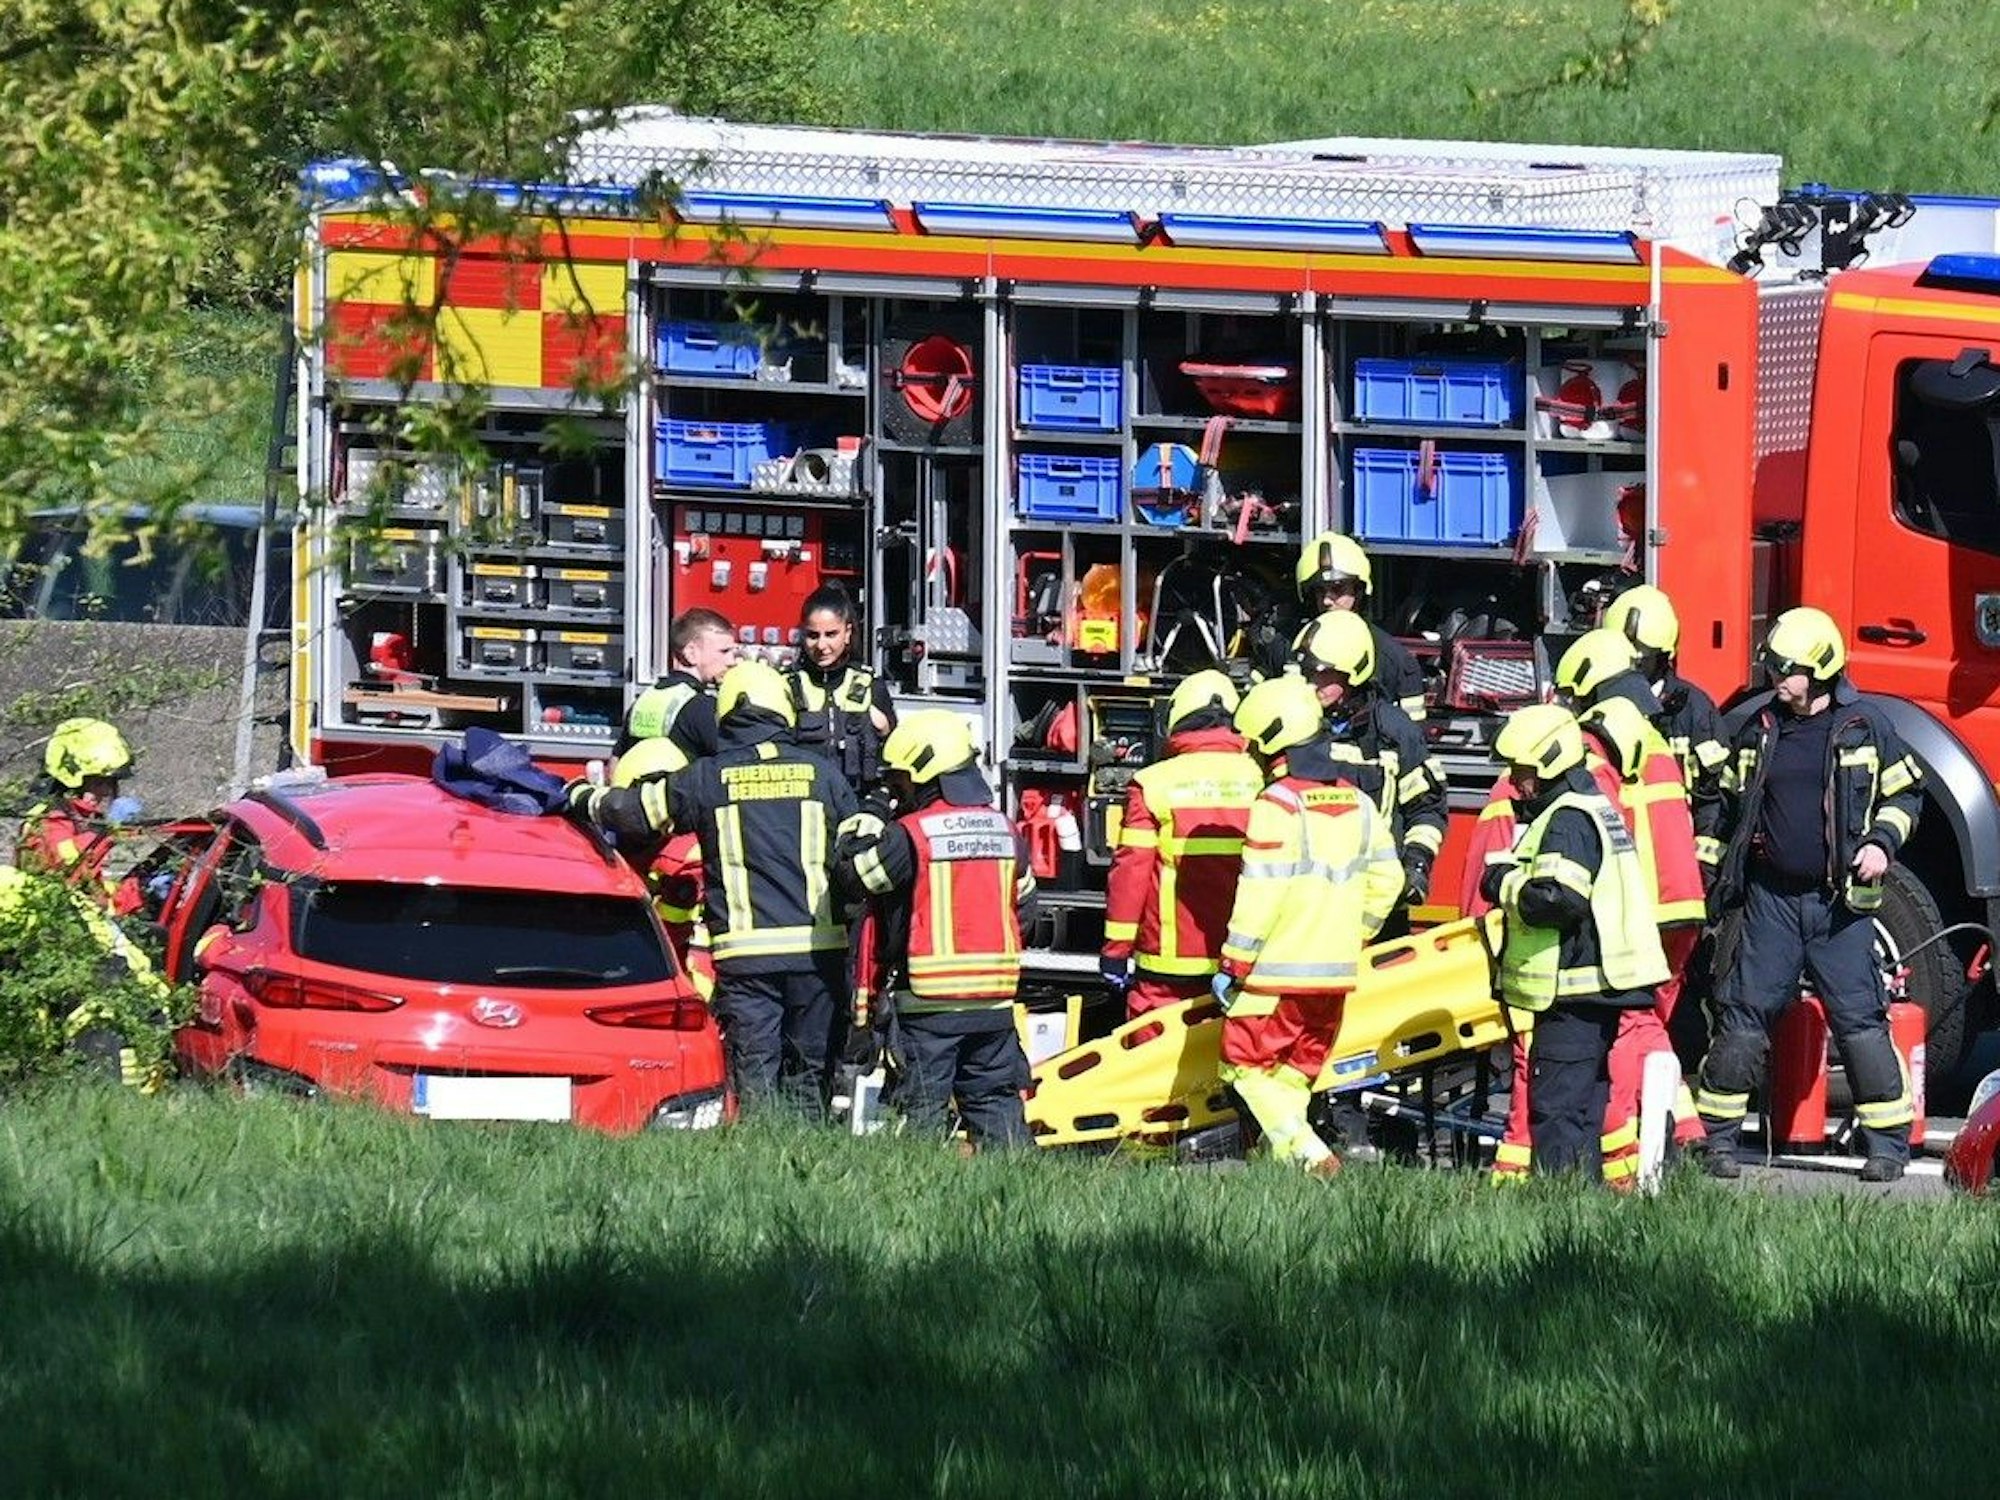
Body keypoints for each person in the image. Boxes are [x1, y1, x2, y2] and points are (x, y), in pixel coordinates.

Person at [1694, 606, 1922, 1182]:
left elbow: (1905, 795)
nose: (1776, 676)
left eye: (1787, 668)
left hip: (1839, 905)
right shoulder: (1760, 727)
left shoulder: (1865, 727)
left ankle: (1888, 1147)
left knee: (1860, 1020)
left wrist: (1880, 843)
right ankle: (1717, 1139)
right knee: (1744, 1014)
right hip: (1771, 899)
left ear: (1820, 670)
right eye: (1774, 665)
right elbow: (1723, 803)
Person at [574, 659, 856, 1111]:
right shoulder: (822, 773)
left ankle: (759, 1154)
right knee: (810, 1073)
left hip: (746, 960)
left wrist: (582, 797)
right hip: (817, 952)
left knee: (755, 1075)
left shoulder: (707, 776)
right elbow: (856, 854)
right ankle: (809, 1156)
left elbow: (636, 811)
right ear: (784, 709)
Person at [1212, 675, 1404, 1176]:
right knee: (1294, 1074)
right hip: (1335, 972)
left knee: (1244, 1067)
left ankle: (1313, 1157)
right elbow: (1390, 878)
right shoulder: (1359, 803)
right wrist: (1355, 933)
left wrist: (1235, 960)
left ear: (1273, 740)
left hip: (1275, 973)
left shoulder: (1276, 805)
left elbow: (1261, 890)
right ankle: (1286, 1166)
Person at [1481, 703, 1671, 1179]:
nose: (1514, 783)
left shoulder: (1567, 818)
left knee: (1557, 1108)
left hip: (1573, 988)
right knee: (1584, 1107)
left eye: (1521, 772)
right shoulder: (1590, 807)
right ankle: (1579, 1207)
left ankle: (1558, 1204)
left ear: (1546, 765)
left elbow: (1559, 900)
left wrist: (1502, 882)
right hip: (1596, 987)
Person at [834, 711, 1038, 1149]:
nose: (899, 788)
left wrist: (868, 816)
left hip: (930, 1009)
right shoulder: (1006, 830)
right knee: (997, 1108)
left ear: (924, 771)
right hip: (994, 1004)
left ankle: (917, 1198)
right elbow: (1025, 912)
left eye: (901, 779)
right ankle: (1019, 1194)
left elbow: (854, 877)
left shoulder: (912, 834)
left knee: (920, 1111)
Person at [1290, 609, 1446, 1156]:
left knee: (1381, 1018)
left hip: (1380, 906)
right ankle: (1315, 1120)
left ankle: (1384, 1128)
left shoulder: (1395, 734)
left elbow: (1427, 807)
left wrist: (1417, 867)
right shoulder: (1299, 726)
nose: (1312, 684)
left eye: (1321, 675)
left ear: (1353, 674)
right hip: (1314, 903)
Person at [1100, 671, 1263, 1019]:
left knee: (1154, 1061)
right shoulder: (1261, 780)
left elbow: (1131, 873)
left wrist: (1116, 951)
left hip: (1168, 965)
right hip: (1243, 958)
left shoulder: (1153, 783)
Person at [1601, 583, 1729, 878]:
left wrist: (1700, 873)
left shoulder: (1693, 710)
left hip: (1673, 865)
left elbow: (1713, 800)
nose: (1628, 664)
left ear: (1662, 656)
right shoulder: (1596, 702)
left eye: (1639, 657)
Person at [1257, 531, 1426, 721]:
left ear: (1359, 591)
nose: (1327, 601)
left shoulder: (1395, 661)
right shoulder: (1287, 648)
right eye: (1319, 591)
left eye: (1338, 589)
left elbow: (1412, 739)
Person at [18, 717, 144, 916]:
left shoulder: (80, 821)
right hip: (61, 928)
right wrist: (104, 833)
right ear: (73, 782)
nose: (106, 792)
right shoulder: (51, 822)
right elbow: (72, 875)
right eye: (99, 783)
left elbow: (99, 888)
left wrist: (140, 891)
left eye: (110, 784)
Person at [786, 582, 896, 797]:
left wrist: (885, 730)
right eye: (813, 635)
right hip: (804, 803)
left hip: (858, 800)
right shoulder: (787, 684)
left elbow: (894, 755)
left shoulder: (868, 683)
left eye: (831, 634)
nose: (821, 645)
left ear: (847, 633)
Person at [617, 607, 738, 759]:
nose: (732, 661)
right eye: (724, 651)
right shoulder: (702, 708)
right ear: (691, 653)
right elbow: (733, 764)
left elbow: (616, 764)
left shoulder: (643, 701)